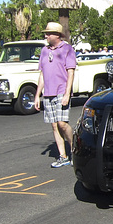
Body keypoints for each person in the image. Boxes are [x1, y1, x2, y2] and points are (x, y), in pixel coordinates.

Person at [34, 22, 77, 168]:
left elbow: (70, 72)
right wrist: (37, 95)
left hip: (61, 91)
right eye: (45, 34)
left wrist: (66, 93)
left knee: (62, 124)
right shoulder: (44, 51)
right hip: (48, 93)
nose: (46, 36)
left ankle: (74, 150)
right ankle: (62, 156)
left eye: (49, 33)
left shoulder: (67, 49)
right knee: (54, 125)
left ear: (57, 35)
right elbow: (42, 74)